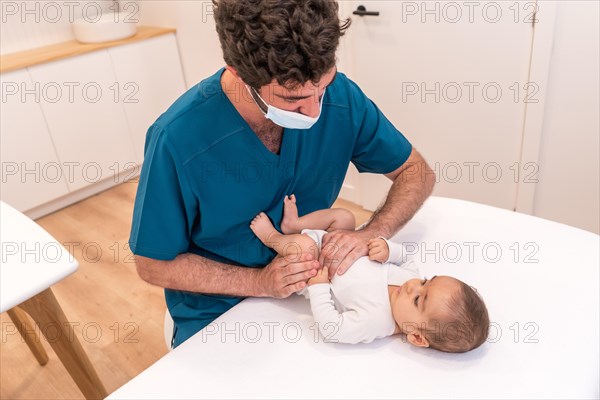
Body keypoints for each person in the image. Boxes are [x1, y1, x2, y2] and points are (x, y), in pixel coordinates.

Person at [129, 0, 436, 348]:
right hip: (223, 306)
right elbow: (152, 265)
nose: (316, 109)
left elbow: (417, 172)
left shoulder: (341, 97)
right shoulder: (179, 139)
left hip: (318, 289)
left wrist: (373, 233)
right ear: (239, 72)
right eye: (294, 100)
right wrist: (259, 282)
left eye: (323, 87)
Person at [250, 195, 489, 352]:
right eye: (427, 282)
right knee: (345, 217)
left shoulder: (377, 321)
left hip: (311, 267)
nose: (413, 286)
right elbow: (406, 257)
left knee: (304, 248)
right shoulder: (410, 279)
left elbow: (333, 328)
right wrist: (388, 249)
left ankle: (273, 237)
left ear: (416, 337)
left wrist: (319, 286)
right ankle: (295, 225)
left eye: (418, 300)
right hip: (332, 241)